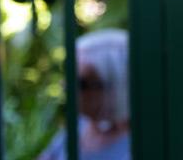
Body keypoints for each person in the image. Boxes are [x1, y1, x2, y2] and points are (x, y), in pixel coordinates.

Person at [39, 29, 130, 160]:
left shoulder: (140, 144)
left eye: (79, 82)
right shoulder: (79, 127)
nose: (64, 86)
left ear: (115, 87)